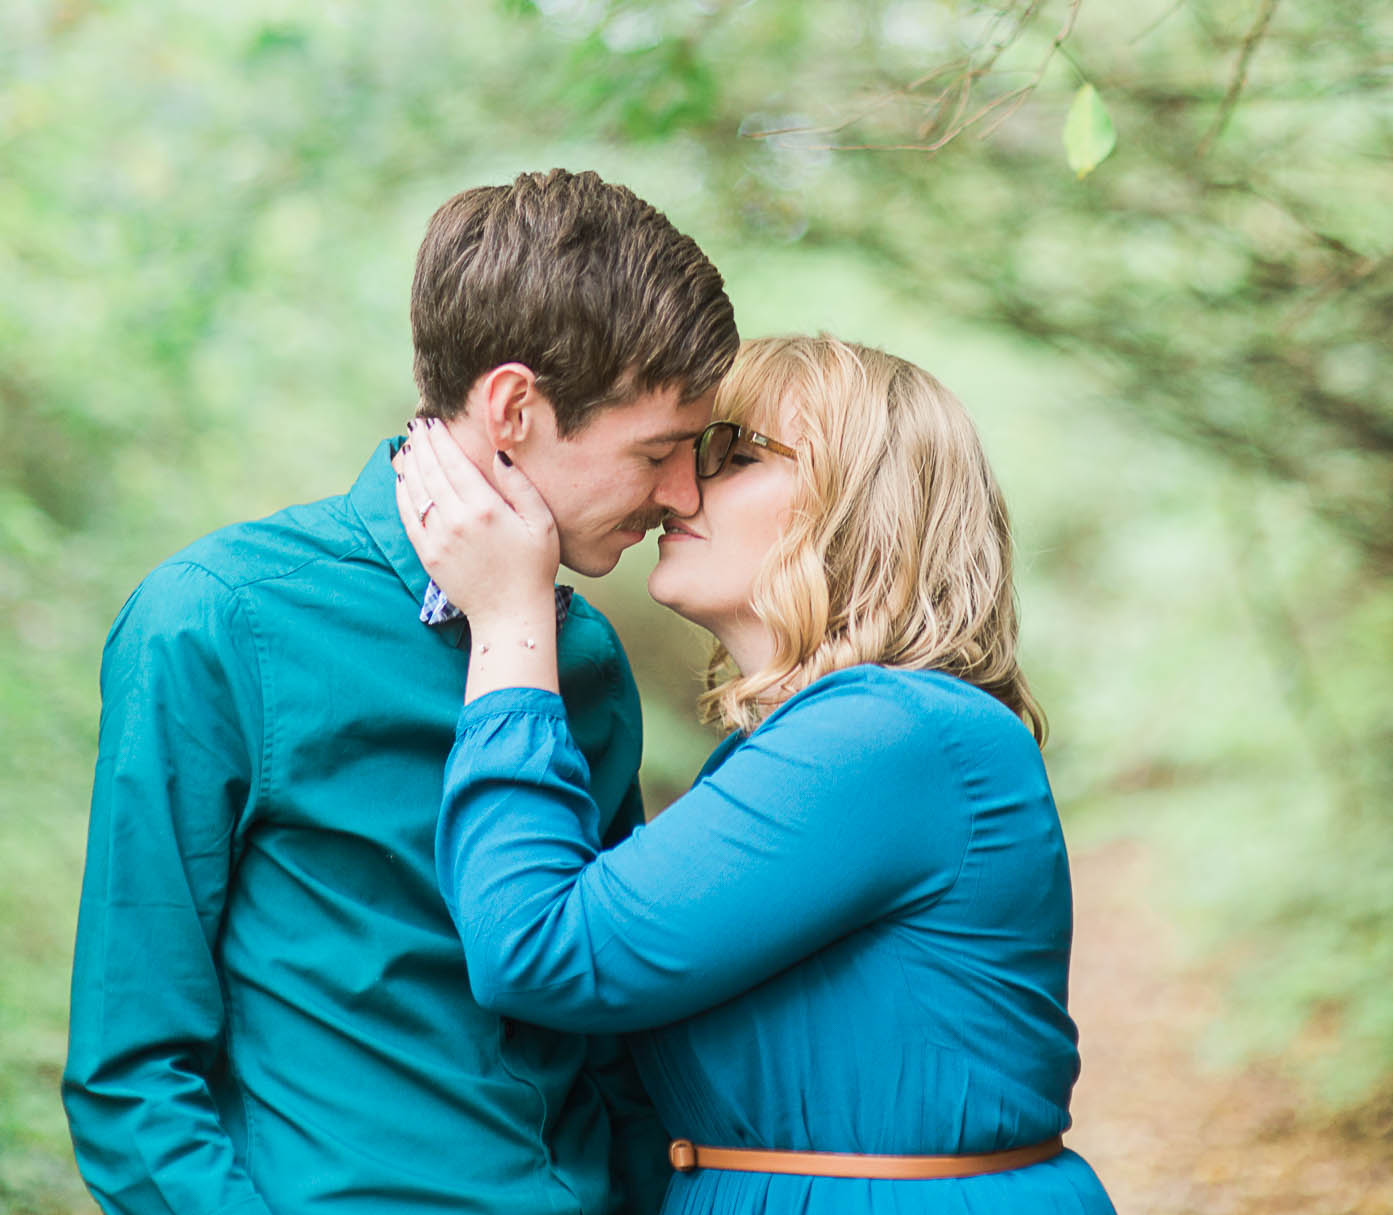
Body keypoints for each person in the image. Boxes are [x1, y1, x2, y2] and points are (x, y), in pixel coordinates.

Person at [64, 171, 738, 1215]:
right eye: (658, 451)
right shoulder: (216, 621)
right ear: (514, 406)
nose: (685, 494)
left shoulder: (585, 658)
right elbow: (131, 1078)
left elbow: (607, 1034)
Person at [399, 332, 1117, 1214]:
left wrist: (509, 618)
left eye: (730, 453)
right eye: (675, 452)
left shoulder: (891, 734)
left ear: (865, 503)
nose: (678, 490)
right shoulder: (848, 740)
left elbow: (541, 946)